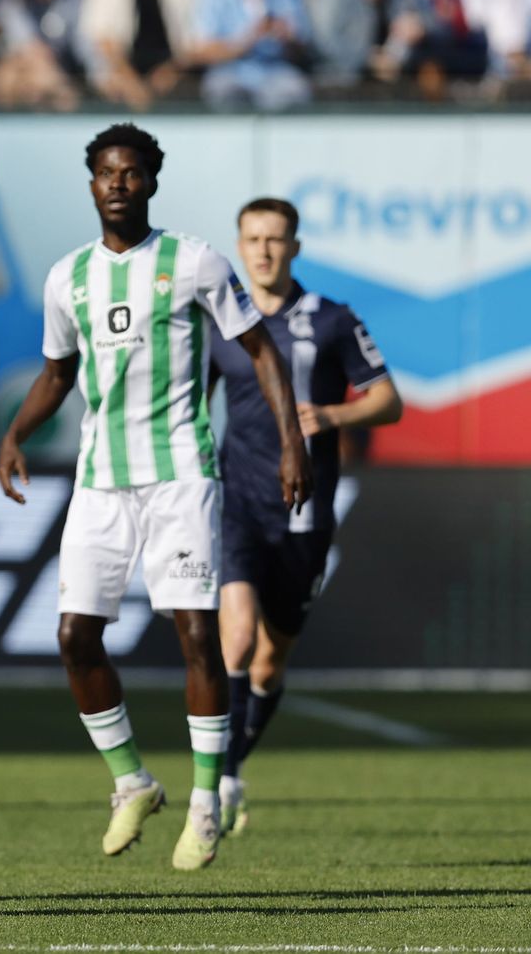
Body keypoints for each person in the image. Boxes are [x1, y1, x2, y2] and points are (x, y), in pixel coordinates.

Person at [0, 124, 310, 871]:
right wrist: (14, 434)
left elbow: (260, 347)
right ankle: (132, 781)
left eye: (131, 173)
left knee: (197, 636)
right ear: (91, 183)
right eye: (106, 172)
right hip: (100, 480)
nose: (118, 183)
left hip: (181, 476)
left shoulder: (194, 261)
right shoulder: (67, 277)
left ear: (151, 182)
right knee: (74, 637)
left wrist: (292, 441)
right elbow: (57, 373)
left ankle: (205, 803)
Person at [211, 197, 402, 835]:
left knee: (270, 661)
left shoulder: (332, 319)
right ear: (239, 246)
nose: (263, 251)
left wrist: (332, 415)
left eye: (275, 239)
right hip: (237, 501)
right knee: (237, 638)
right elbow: (192, 400)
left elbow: (388, 400)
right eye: (253, 239)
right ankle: (217, 783)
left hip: (304, 512)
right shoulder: (221, 319)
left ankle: (232, 766)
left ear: (294, 247)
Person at [187, 0, 313, 111]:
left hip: (274, 70)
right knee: (223, 92)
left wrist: (287, 37)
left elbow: (303, 45)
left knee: (295, 90)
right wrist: (247, 40)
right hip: (230, 71)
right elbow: (201, 50)